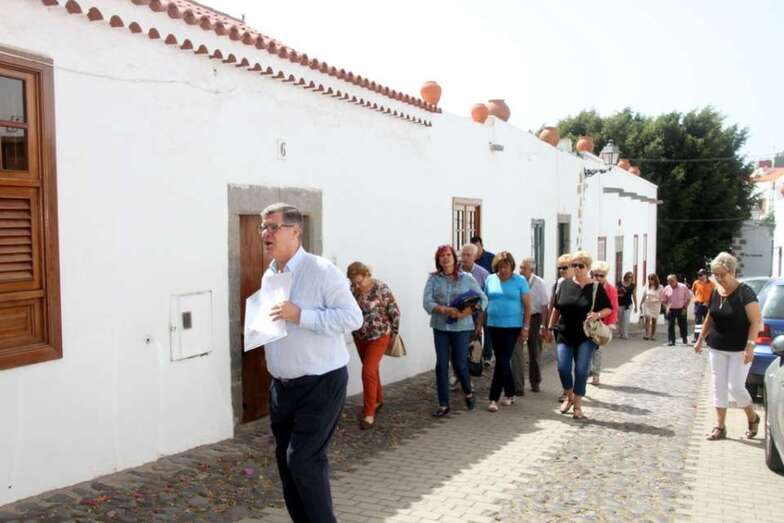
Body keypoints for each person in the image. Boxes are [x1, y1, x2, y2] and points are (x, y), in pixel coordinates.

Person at [260, 203, 363, 523]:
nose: (265, 234)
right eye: (263, 227)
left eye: (273, 227)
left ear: (295, 231)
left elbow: (353, 318)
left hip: (321, 383)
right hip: (282, 388)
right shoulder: (270, 274)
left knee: (304, 461)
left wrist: (301, 315)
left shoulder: (321, 271)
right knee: (287, 466)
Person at [694, 252, 762, 441]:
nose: (718, 278)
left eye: (722, 275)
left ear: (732, 272)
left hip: (740, 348)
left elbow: (756, 321)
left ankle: (752, 417)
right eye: (715, 275)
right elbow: (710, 317)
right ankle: (720, 426)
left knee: (736, 387)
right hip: (717, 347)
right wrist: (700, 339)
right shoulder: (716, 291)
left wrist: (750, 346)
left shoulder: (745, 292)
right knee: (718, 386)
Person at [423, 245, 486, 417]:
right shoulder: (434, 279)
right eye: (441, 255)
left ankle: (468, 392)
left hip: (461, 328)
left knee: (459, 364)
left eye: (448, 255)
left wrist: (465, 313)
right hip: (440, 327)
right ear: (438, 260)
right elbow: (427, 302)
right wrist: (444, 309)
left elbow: (482, 299)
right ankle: (443, 404)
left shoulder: (467, 278)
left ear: (454, 258)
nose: (445, 258)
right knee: (441, 365)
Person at [547, 251, 612, 419]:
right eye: (573, 265)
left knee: (582, 370)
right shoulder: (564, 285)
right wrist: (549, 328)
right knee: (563, 368)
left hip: (586, 335)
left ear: (587, 268)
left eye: (580, 265)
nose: (576, 268)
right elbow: (556, 309)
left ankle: (577, 404)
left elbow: (608, 308)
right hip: (564, 333)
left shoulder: (596, 287)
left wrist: (597, 315)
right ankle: (568, 396)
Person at [347, 262, 401, 430]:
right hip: (360, 336)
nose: (357, 286)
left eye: (359, 282)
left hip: (380, 335)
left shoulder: (380, 287)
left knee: (368, 371)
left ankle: (369, 413)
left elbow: (394, 311)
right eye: (354, 283)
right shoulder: (352, 291)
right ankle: (378, 400)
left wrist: (394, 333)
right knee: (372, 370)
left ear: (367, 275)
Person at [484, 252, 531, 411]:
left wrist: (526, 327)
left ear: (512, 266)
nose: (503, 270)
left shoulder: (520, 281)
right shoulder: (490, 279)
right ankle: (510, 392)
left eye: (506, 267)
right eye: (500, 267)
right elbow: (485, 302)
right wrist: (479, 323)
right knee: (501, 360)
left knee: (502, 361)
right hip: (493, 325)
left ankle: (493, 398)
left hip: (512, 326)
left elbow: (528, 306)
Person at [512, 258, 549, 394]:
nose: (521, 271)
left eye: (524, 268)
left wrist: (543, 325)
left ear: (532, 270)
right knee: (516, 352)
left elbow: (545, 306)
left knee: (534, 351)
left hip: (535, 318)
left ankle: (535, 381)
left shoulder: (539, 283)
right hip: (518, 317)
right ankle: (518, 385)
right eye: (520, 267)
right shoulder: (516, 281)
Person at [589, 261, 618, 386]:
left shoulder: (611, 289)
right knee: (587, 349)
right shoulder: (589, 286)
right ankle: (589, 369)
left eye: (602, 275)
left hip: (602, 324)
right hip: (588, 323)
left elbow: (614, 308)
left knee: (597, 350)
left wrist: (610, 324)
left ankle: (596, 375)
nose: (598, 278)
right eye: (596, 275)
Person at [551, 254, 574, 403]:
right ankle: (567, 391)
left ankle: (575, 392)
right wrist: (549, 326)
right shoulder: (559, 283)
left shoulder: (581, 283)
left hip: (578, 329)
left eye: (565, 268)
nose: (561, 271)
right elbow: (554, 305)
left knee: (579, 365)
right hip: (561, 327)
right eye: (559, 268)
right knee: (563, 363)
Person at [662, 274, 692, 346]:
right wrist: (666, 307)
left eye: (672, 281)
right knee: (670, 325)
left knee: (683, 325)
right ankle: (671, 340)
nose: (670, 283)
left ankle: (684, 337)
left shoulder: (683, 287)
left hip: (682, 309)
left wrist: (685, 307)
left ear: (676, 280)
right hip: (671, 309)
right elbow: (663, 300)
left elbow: (688, 298)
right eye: (668, 281)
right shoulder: (666, 288)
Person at [691, 268, 715, 343]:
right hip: (698, 304)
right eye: (698, 275)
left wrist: (708, 302)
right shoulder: (696, 283)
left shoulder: (712, 284)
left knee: (707, 322)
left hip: (707, 304)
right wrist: (698, 299)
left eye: (701, 275)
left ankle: (708, 338)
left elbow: (713, 295)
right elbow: (693, 291)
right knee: (698, 322)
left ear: (705, 275)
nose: (699, 276)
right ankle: (696, 337)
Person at [640, 274, 663, 340]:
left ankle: (652, 335)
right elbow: (644, 295)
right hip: (647, 304)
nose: (650, 281)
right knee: (647, 318)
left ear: (655, 279)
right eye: (649, 279)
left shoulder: (660, 287)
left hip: (656, 305)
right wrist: (641, 303)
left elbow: (662, 297)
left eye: (651, 279)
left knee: (654, 320)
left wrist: (660, 301)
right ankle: (647, 334)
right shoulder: (647, 286)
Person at [616, 271, 638, 339]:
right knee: (620, 319)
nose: (630, 278)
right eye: (629, 277)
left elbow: (634, 296)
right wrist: (619, 294)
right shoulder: (619, 284)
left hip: (628, 304)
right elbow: (615, 293)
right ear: (625, 277)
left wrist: (636, 306)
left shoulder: (633, 286)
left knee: (626, 319)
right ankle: (620, 333)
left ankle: (625, 334)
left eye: (631, 277)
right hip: (620, 304)